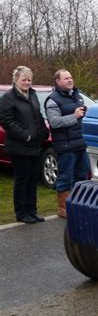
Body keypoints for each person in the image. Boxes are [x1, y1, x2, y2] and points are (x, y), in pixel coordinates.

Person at [0, 66, 48, 223]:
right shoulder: (8, 98)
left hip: (35, 145)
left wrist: (43, 132)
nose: (27, 82)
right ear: (16, 80)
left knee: (33, 179)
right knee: (22, 179)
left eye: (29, 80)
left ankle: (32, 210)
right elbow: (7, 121)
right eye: (24, 80)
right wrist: (25, 135)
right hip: (19, 146)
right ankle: (21, 213)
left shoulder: (32, 95)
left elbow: (38, 116)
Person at [45, 69, 89, 218]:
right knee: (65, 177)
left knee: (82, 175)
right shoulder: (52, 100)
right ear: (57, 81)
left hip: (81, 144)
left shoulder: (78, 96)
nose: (70, 80)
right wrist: (75, 116)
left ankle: (78, 204)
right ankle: (63, 209)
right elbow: (55, 122)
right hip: (65, 146)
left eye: (71, 77)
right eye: (66, 78)